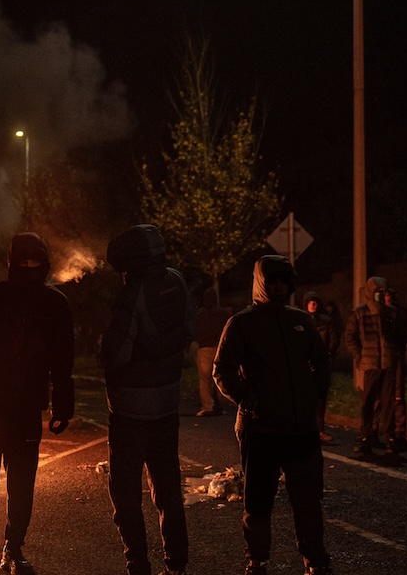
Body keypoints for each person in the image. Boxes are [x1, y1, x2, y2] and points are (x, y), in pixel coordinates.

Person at [0, 233, 73, 575]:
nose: (30, 268)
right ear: (12, 263)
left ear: (45, 264)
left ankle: (13, 550)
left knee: (21, 486)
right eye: (25, 261)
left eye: (35, 262)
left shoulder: (55, 304)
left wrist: (63, 404)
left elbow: (63, 360)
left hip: (24, 410)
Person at [213, 255, 333, 575]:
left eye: (284, 281)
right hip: (262, 428)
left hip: (301, 429)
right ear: (261, 283)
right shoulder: (242, 322)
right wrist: (247, 399)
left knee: (307, 500)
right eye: (273, 281)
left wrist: (315, 393)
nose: (279, 287)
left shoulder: (301, 321)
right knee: (258, 500)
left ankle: (315, 559)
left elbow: (322, 361)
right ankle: (257, 559)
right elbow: (221, 370)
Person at [99, 225, 192, 575]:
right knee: (168, 488)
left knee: (126, 493)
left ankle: (137, 562)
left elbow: (117, 354)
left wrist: (103, 353)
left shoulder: (131, 295)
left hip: (130, 410)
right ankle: (177, 564)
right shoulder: (178, 282)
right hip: (167, 404)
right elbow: (188, 329)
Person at [344, 276, 402, 454]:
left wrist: (395, 352)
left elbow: (401, 333)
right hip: (370, 365)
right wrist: (360, 356)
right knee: (368, 402)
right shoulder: (359, 313)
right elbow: (350, 337)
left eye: (382, 291)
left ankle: (390, 438)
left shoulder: (391, 312)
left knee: (388, 402)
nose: (381, 294)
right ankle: (367, 436)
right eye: (377, 291)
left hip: (387, 364)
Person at [382, 288, 407, 452]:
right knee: (383, 395)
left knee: (397, 395)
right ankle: (384, 432)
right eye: (386, 296)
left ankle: (398, 433)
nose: (388, 298)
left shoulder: (400, 313)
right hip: (382, 359)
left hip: (396, 356)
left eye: (390, 295)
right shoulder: (379, 312)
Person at [301, 292, 338, 442]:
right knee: (305, 399)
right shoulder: (301, 321)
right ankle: (305, 431)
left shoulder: (326, 321)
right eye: (310, 302)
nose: (312, 304)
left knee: (321, 399)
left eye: (315, 302)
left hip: (321, 366)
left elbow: (334, 340)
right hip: (305, 366)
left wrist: (326, 355)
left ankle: (320, 430)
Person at [194, 287, 229, 417]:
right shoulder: (222, 313)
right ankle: (220, 406)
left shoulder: (200, 314)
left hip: (204, 348)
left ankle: (207, 406)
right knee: (219, 376)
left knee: (204, 379)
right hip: (219, 348)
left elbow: (194, 330)